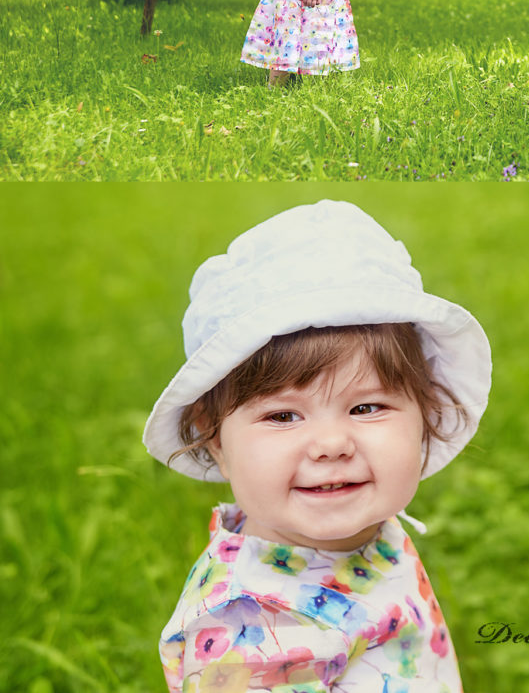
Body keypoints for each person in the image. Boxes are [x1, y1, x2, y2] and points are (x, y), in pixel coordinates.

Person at [143, 200, 492, 693]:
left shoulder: (362, 526)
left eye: (367, 408)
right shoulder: (257, 631)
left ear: (425, 410)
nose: (331, 444)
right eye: (283, 416)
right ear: (215, 438)